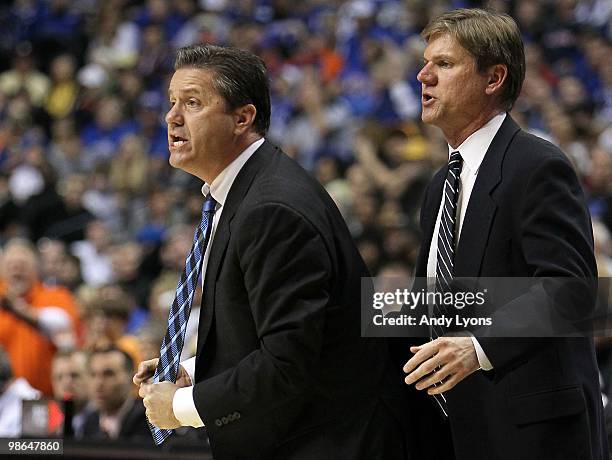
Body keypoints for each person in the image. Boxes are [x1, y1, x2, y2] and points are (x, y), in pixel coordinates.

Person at [133, 43, 410, 459]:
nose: (172, 118)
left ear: (243, 118)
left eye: (192, 103)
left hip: (321, 442)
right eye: (172, 103)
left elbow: (286, 361)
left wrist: (179, 407)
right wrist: (192, 372)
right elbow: (256, 331)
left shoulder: (270, 208)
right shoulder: (247, 190)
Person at [398, 8, 607, 460]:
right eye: (425, 62)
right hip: (455, 430)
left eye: (444, 64)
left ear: (493, 78)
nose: (423, 76)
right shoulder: (439, 186)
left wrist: (477, 346)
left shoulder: (536, 165)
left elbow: (570, 289)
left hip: (534, 434)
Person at [0, 238, 80, 395]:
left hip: (49, 398)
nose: (17, 270)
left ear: (36, 268)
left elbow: (63, 325)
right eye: (11, 265)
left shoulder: (56, 295)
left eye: (22, 265)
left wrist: (18, 309)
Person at [83, 346, 151, 443]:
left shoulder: (150, 420)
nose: (98, 383)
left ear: (132, 378)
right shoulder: (90, 421)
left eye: (108, 374)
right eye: (93, 374)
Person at [50, 349, 94, 438]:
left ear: (91, 377)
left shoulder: (103, 422)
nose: (66, 383)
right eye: (59, 377)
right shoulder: (48, 425)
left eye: (74, 375)